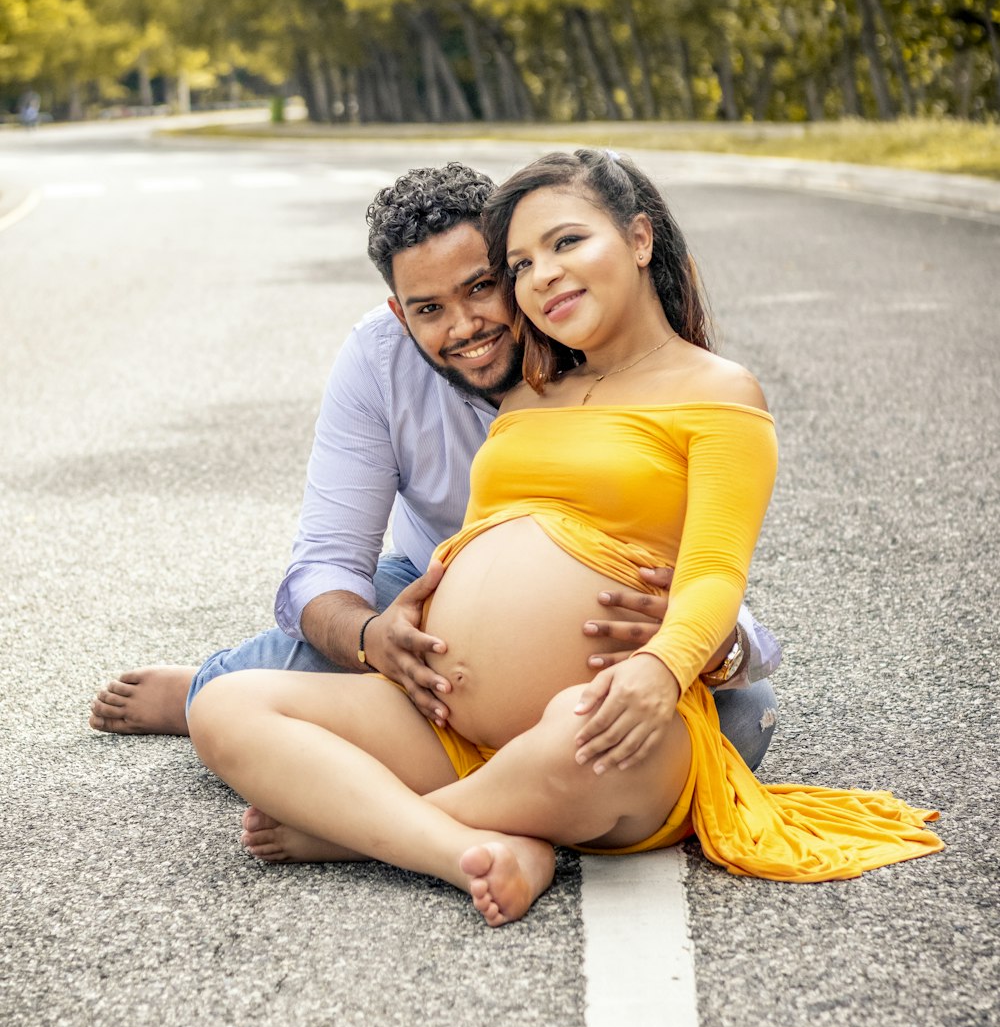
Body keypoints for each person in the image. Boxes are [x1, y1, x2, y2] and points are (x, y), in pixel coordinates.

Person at [187, 149, 942, 926]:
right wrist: (410, 620)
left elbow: (714, 571)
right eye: (521, 263)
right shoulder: (529, 394)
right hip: (455, 718)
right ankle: (471, 845)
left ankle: (360, 832)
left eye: (564, 244)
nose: (540, 275)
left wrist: (661, 667)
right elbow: (477, 542)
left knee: (591, 737)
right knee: (226, 707)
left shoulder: (718, 390)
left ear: (640, 240)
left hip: (605, 713)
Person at [90, 164, 780, 767]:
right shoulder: (377, 359)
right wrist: (370, 640)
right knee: (250, 685)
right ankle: (205, 688)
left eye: (482, 287)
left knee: (742, 719)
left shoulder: (599, 338)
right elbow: (325, 563)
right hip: (425, 597)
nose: (464, 327)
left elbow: (707, 566)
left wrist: (714, 645)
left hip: (615, 626)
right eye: (428, 309)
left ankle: (404, 768)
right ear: (399, 312)